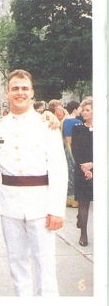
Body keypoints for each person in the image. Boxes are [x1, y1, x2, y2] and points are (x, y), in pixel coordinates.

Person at [0, 69, 67, 296]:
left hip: (41, 206)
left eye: (24, 89)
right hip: (10, 206)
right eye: (15, 89)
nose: (20, 93)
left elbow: (58, 168)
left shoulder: (47, 125)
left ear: (32, 93)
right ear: (7, 93)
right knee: (17, 266)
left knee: (45, 267)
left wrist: (56, 210)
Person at [71, 97, 93, 247]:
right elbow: (75, 150)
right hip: (81, 170)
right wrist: (84, 167)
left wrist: (94, 165)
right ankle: (83, 234)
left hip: (99, 168)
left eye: (88, 110)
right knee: (84, 202)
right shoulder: (78, 128)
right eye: (83, 110)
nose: (84, 112)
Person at [62, 101, 82, 208]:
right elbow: (69, 138)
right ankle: (73, 198)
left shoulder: (65, 121)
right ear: (75, 110)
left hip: (68, 148)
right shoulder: (75, 121)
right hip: (73, 149)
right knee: (73, 172)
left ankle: (70, 197)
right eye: (79, 108)